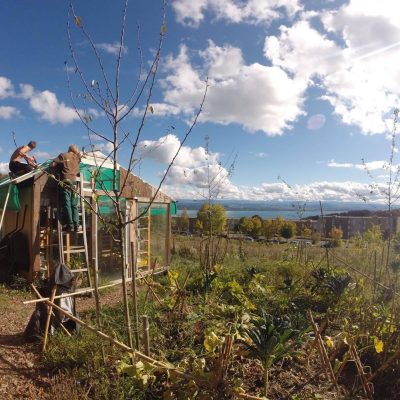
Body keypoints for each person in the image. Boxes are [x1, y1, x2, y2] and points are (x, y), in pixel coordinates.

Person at [52, 144, 81, 232]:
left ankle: (70, 225)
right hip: (74, 183)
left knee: (67, 203)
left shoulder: (63, 155)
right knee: (74, 204)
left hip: (65, 181)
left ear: (69, 149)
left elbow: (52, 165)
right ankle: (77, 225)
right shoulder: (77, 158)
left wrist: (57, 170)